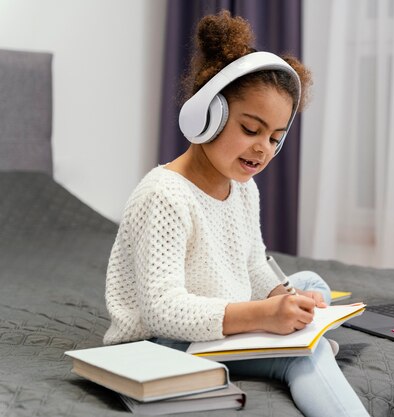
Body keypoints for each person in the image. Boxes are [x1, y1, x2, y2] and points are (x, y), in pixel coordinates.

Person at [103, 11, 370, 417]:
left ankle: (298, 338)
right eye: (250, 129)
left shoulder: (244, 190)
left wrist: (282, 297)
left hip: (221, 319)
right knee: (304, 355)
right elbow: (162, 309)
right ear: (208, 115)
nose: (263, 148)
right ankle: (304, 355)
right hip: (162, 343)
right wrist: (262, 315)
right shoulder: (164, 194)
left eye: (275, 138)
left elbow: (252, 266)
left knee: (308, 284)